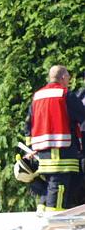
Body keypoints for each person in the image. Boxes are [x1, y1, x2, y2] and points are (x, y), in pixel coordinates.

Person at [24, 65, 85, 212]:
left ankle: (43, 213)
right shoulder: (65, 95)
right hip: (62, 153)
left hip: (43, 154)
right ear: (63, 77)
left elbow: (28, 122)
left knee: (50, 186)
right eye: (68, 78)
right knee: (59, 189)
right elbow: (82, 116)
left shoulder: (37, 96)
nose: (69, 82)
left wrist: (31, 147)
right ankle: (54, 226)